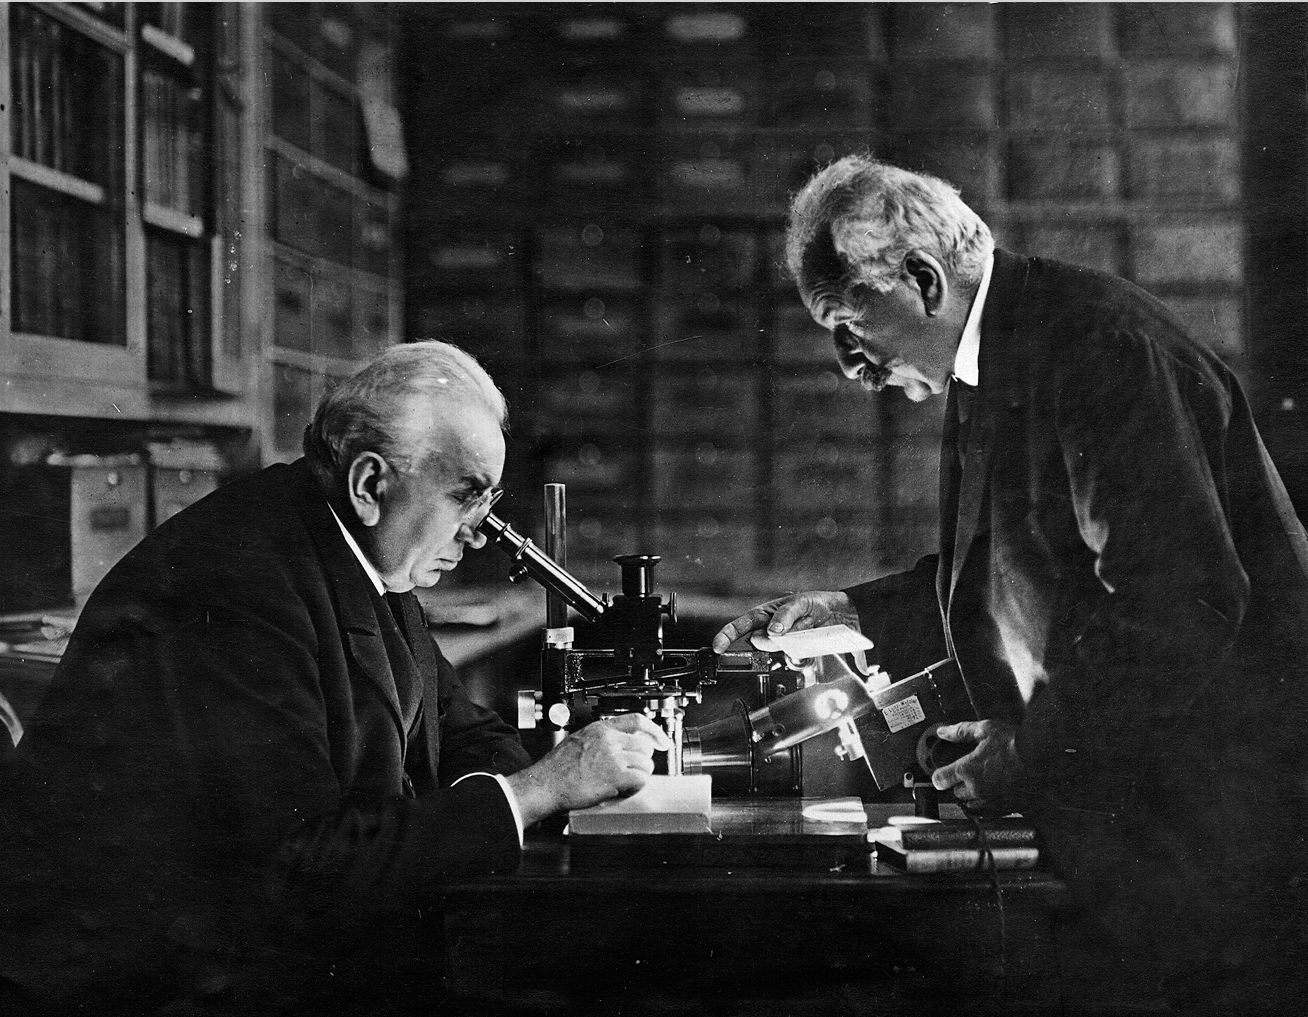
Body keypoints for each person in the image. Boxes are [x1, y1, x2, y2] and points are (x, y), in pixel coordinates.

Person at [713, 157, 1308, 1013]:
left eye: (849, 323)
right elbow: (1012, 567)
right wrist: (854, 612)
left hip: (1217, 817)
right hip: (1153, 801)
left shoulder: (1098, 347)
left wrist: (1027, 756)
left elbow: (1176, 603)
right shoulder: (997, 354)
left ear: (924, 280)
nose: (848, 364)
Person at [0, 340, 669, 1016]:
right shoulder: (237, 583)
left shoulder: (364, 555)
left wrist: (539, 787)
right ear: (370, 485)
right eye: (465, 496)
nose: (476, 534)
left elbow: (463, 730)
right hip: (145, 986)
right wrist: (537, 791)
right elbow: (296, 869)